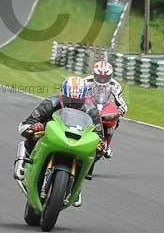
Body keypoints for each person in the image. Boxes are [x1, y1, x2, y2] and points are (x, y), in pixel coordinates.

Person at [14, 76, 104, 207]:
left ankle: (79, 179)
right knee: (31, 136)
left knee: (96, 150)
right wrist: (34, 127)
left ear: (84, 99)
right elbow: (25, 125)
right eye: (68, 100)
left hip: (77, 143)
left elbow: (99, 135)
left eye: (77, 102)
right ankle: (23, 163)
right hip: (49, 138)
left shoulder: (92, 111)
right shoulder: (50, 103)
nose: (72, 104)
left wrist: (100, 145)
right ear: (61, 95)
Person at [83, 60, 128, 159]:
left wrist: (120, 111)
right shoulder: (86, 82)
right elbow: (78, 95)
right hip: (89, 107)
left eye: (105, 77)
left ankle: (107, 144)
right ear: (94, 74)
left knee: (115, 119)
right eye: (100, 76)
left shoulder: (115, 86)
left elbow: (121, 103)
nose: (102, 80)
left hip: (105, 110)